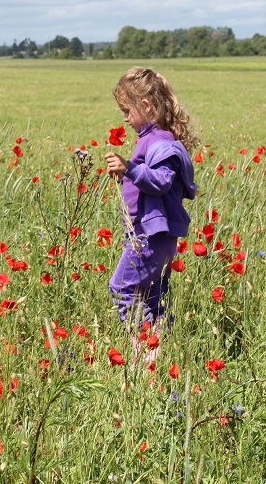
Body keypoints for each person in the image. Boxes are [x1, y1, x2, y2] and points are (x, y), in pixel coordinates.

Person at [104, 67, 198, 339]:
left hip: (150, 235)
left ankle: (145, 350)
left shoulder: (159, 142)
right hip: (150, 233)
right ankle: (160, 352)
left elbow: (162, 181)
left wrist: (129, 169)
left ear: (145, 105)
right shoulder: (153, 139)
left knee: (123, 288)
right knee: (152, 297)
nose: (125, 120)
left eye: (127, 111)